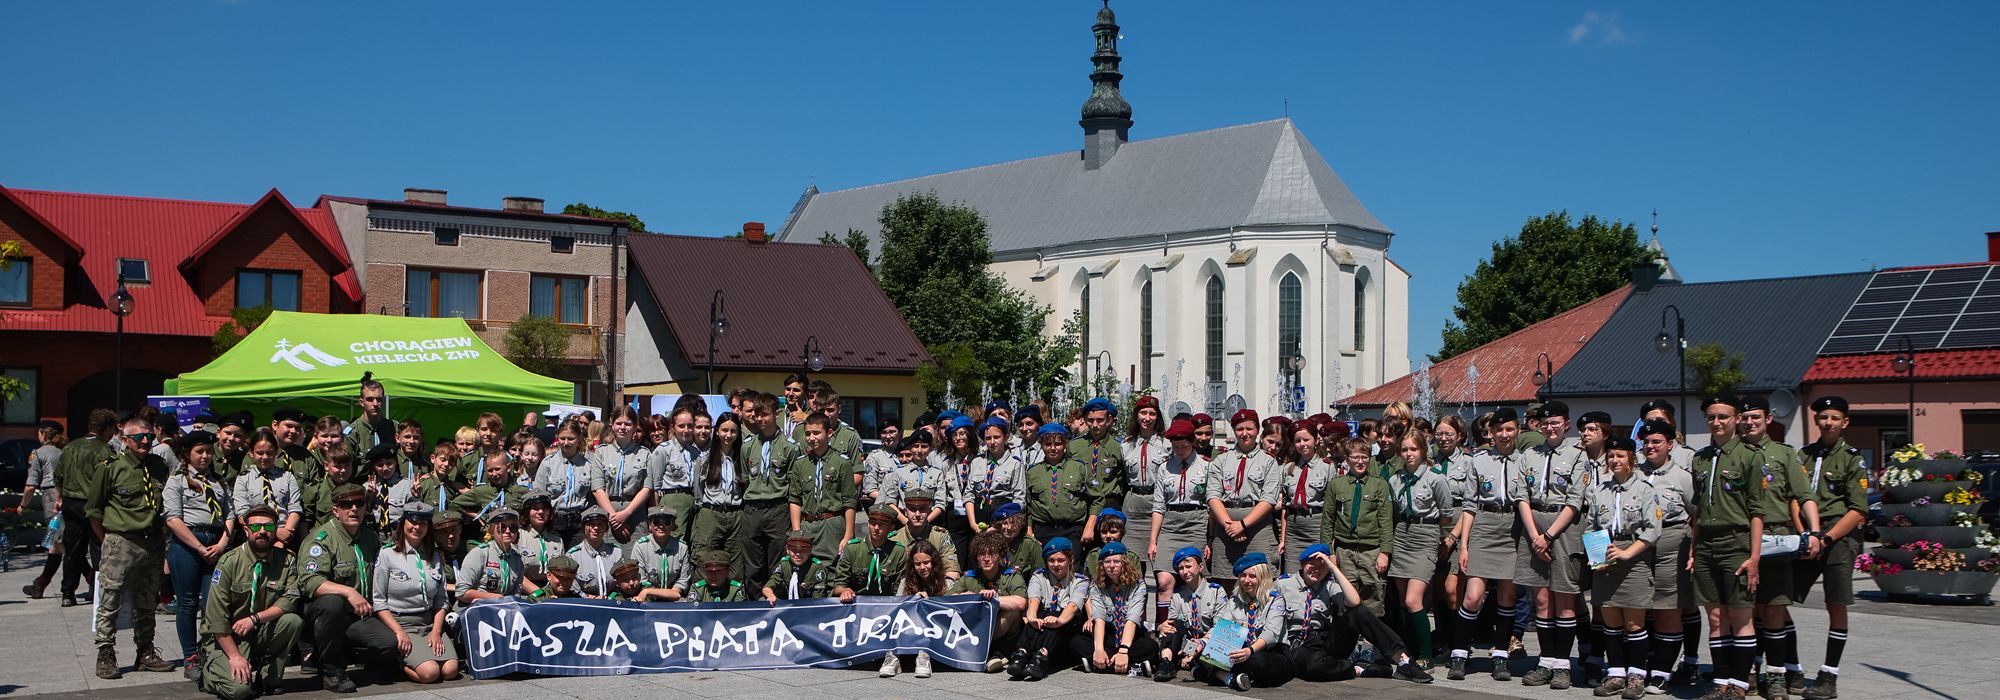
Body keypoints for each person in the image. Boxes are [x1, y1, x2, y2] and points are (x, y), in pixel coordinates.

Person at [1738, 395, 1820, 700]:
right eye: (1745, 418)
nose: (1749, 423)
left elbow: (1804, 495)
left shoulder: (1784, 455)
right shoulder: (1732, 452)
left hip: (1774, 539)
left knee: (1773, 610)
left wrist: (1814, 532)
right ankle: (1747, 672)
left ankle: (1776, 676)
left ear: (1768, 419)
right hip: (1740, 540)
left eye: (1755, 418)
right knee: (1744, 611)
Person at [87, 412, 176, 678]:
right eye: (138, 437)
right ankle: (105, 653)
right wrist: (109, 541)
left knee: (147, 599)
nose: (145, 441)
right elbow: (94, 511)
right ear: (126, 440)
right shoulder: (110, 467)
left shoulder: (158, 465)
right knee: (110, 600)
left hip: (152, 542)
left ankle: (145, 651)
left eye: (149, 436)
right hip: (121, 540)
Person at [1692, 395, 1767, 700]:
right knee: (1715, 618)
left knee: (1740, 617)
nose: (1717, 422)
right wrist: (1693, 550)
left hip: (1737, 543)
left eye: (1723, 416)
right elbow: (1697, 509)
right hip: (1707, 543)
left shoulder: (1749, 457)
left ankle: (1740, 684)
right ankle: (1721, 681)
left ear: (1737, 419)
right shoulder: (1700, 458)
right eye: (1712, 417)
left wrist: (1754, 557)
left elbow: (1757, 511)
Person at [1792, 397, 1866, 700]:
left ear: (1844, 422)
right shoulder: (1803, 455)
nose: (1828, 423)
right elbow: (1793, 497)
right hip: (1806, 535)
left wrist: (1826, 538)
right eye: (1823, 417)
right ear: (1816, 421)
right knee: (1780, 599)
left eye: (1835, 418)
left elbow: (1858, 510)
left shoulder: (1852, 459)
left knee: (1836, 605)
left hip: (1837, 538)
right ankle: (1791, 667)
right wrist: (1805, 533)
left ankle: (1828, 675)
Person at [1513, 400, 1588, 690]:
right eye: (1545, 423)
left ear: (1567, 424)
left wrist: (1549, 536)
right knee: (1542, 599)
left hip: (1564, 526)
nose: (1550, 427)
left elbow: (1575, 500)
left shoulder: (1577, 456)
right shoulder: (1529, 454)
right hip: (1534, 524)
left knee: (1564, 598)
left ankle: (1562, 664)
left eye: (1556, 422)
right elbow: (1522, 496)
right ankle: (1545, 660)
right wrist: (1534, 535)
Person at [1447, 407, 1525, 682]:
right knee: (1473, 596)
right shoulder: (1478, 461)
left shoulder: (1525, 461)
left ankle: (1501, 656)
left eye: (1509, 429)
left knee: (1507, 596)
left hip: (1513, 528)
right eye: (1498, 430)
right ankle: (1459, 653)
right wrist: (1464, 545)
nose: (1504, 435)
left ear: (1518, 430)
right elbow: (1469, 507)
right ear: (1490, 433)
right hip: (1485, 525)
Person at [1581, 437, 1660, 699]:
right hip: (1606, 561)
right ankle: (1616, 674)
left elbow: (1652, 530)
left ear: (1632, 460)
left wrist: (1627, 553)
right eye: (1611, 456)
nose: (1615, 461)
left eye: (1621, 456)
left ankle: (1636, 677)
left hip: (1634, 560)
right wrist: (1598, 558)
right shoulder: (1599, 490)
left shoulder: (1645, 490)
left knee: (1634, 623)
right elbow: (1592, 527)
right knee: (1611, 623)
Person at [1282, 545, 1433, 683]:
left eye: (1322, 567)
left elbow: (1354, 602)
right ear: (1302, 564)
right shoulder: (1284, 585)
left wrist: (1333, 568)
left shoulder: (1330, 585)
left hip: (1323, 641)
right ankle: (1359, 670)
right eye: (1312, 565)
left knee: (1358, 612)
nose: (1316, 570)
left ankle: (1403, 662)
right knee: (1311, 668)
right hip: (1297, 643)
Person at [197, 505, 302, 700]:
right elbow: (216, 618)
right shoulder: (229, 562)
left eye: (269, 527)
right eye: (256, 527)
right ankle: (209, 674)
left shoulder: (287, 561)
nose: (262, 532)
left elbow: (290, 600)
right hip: (229, 638)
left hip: (259, 629)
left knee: (292, 621)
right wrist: (235, 656)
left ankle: (269, 678)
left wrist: (255, 619)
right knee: (240, 691)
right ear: (246, 530)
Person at [296, 483, 391, 692]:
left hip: (359, 616)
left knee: (389, 645)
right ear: (335, 510)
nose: (354, 509)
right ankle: (332, 671)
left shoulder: (369, 537)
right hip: (326, 615)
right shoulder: (321, 539)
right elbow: (310, 581)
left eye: (359, 503)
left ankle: (346, 652)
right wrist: (349, 591)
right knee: (333, 603)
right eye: (346, 504)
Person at [353, 502, 460, 684]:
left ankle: (419, 655)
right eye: (412, 522)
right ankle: (397, 663)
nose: (417, 527)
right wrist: (398, 632)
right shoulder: (387, 554)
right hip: (402, 623)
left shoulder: (434, 556)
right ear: (403, 523)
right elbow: (379, 601)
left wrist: (436, 631)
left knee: (450, 671)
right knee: (430, 673)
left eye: (423, 523)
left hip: (428, 623)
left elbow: (441, 600)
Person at [165, 430, 236, 677]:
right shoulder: (177, 480)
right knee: (187, 603)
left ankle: (209, 650)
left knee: (212, 603)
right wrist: (198, 546)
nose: (205, 456)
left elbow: (230, 514)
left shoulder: (219, 481)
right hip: (187, 546)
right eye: (199, 452)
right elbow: (173, 519)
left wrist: (223, 543)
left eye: (208, 451)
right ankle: (190, 657)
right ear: (187, 454)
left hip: (215, 544)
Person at [1636, 421, 1697, 691]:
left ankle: (1662, 671)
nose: (1650, 447)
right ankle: (1646, 665)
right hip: (1638, 545)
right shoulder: (1634, 473)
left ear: (1670, 444)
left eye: (1656, 442)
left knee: (1667, 608)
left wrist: (1694, 550)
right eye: (1646, 442)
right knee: (1642, 607)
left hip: (1671, 543)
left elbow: (1697, 516)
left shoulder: (1682, 477)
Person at [1388, 431, 1451, 669]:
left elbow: (1446, 514)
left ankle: (1426, 655)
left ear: (1423, 451)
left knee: (1415, 600)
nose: (1408, 454)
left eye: (1413, 449)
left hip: (1425, 535)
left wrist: (1432, 530)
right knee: (1404, 601)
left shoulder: (1435, 478)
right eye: (1404, 449)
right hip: (1401, 535)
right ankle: (1409, 650)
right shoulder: (1396, 479)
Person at [1188, 552, 1290, 691]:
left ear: (1263, 577)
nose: (1246, 580)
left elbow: (1271, 634)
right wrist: (1203, 642)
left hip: (1270, 652)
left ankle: (1215, 675)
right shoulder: (1235, 600)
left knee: (1258, 662)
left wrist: (1250, 650)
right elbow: (1222, 627)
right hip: (1243, 651)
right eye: (1243, 575)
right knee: (1204, 653)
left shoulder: (1276, 600)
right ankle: (1231, 678)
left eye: (1252, 576)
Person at [739, 392, 804, 585]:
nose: (760, 419)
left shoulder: (790, 447)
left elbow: (793, 484)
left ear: (776, 414)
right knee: (752, 565)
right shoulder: (747, 446)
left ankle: (776, 603)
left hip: (778, 509)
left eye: (765, 414)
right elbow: (745, 478)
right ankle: (755, 607)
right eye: (757, 414)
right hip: (752, 510)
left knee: (777, 562)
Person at [1150, 419, 1211, 624]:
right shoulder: (1165, 468)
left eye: (1184, 446)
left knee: (1194, 579)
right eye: (1175, 447)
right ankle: (1164, 630)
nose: (1180, 450)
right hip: (1171, 524)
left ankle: (1194, 627)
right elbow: (1159, 506)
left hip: (1197, 522)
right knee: (1164, 581)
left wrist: (1209, 540)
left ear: (1192, 442)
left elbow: (1212, 505)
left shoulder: (1207, 466)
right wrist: (1153, 540)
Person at [1325, 437, 1392, 614]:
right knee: (1346, 594)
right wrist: (1329, 553)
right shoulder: (1336, 485)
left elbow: (1385, 521)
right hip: (1344, 550)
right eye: (1355, 457)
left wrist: (1384, 552)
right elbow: (1327, 521)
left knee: (1373, 594)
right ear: (1347, 459)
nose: (1360, 461)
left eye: (1364, 457)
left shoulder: (1379, 485)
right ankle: (1350, 636)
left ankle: (1372, 634)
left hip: (1371, 550)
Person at [949, 528, 1030, 672]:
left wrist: (993, 599)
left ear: (999, 555)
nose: (986, 558)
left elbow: (1021, 602)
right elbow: (946, 598)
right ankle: (994, 655)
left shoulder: (1011, 576)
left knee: (1013, 612)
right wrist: (970, 597)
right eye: (982, 554)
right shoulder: (969, 577)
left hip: (1001, 629)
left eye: (991, 553)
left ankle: (998, 653)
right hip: (975, 627)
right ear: (977, 557)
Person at [1009, 537, 1088, 682]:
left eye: (1061, 560)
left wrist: (1059, 620)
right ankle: (1021, 653)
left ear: (1070, 560)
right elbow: (1034, 599)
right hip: (1043, 623)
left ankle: (1041, 657)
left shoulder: (1080, 581)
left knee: (1054, 613)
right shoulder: (1039, 576)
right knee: (1039, 614)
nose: (1056, 565)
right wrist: (1032, 618)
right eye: (1051, 560)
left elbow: (1073, 606)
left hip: (1066, 627)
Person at [1075, 541, 1155, 677]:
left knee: (1150, 647)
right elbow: (1099, 618)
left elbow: (1132, 619)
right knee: (1076, 642)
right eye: (1107, 562)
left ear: (1125, 563)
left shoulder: (1138, 585)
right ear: (1102, 565)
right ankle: (1131, 667)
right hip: (1109, 633)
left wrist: (1123, 651)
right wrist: (1099, 649)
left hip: (1130, 634)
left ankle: (1102, 665)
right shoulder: (1097, 585)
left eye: (1116, 561)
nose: (1112, 566)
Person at [790, 413, 859, 562]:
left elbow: (849, 502)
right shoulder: (800, 464)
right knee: (807, 571)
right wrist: (797, 531)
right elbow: (795, 500)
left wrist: (848, 535)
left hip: (832, 525)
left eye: (816, 433)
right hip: (808, 525)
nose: (811, 438)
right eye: (807, 434)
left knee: (833, 568)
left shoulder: (842, 463)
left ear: (829, 433)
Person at [961, 420, 1025, 567]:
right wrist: (973, 524)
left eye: (996, 437)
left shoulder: (1014, 464)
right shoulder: (977, 462)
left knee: (998, 559)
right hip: (979, 514)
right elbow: (969, 494)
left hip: (1003, 516)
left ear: (1006, 437)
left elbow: (1019, 499)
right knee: (977, 559)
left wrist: (1000, 526)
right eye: (988, 438)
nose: (992, 442)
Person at [16, 420, 66, 600]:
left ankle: (91, 579)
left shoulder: (38, 454)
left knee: (60, 542)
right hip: (67, 497)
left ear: (44, 435)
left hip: (51, 498)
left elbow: (30, 485)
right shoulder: (64, 452)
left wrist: (23, 505)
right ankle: (40, 584)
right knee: (54, 542)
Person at [589, 406, 654, 543]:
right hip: (608, 513)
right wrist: (614, 517)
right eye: (619, 423)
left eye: (628, 424)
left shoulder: (644, 453)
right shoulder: (601, 452)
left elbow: (647, 488)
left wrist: (626, 513)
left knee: (635, 560)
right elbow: (597, 488)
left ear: (635, 426)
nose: (623, 427)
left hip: (635, 512)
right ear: (612, 425)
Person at [1026, 423, 1095, 547]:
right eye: (1047, 444)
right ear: (1041, 446)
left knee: (1071, 566)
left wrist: (1089, 527)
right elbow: (1027, 504)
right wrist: (1029, 529)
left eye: (1058, 444)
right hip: (1042, 530)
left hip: (1072, 530)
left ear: (1065, 444)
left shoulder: (1080, 468)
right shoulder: (1032, 472)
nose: (1053, 448)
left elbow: (1097, 499)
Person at [232, 430, 304, 548]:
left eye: (269, 453)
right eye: (260, 453)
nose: (264, 457)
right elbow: (242, 514)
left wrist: (285, 535)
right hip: (256, 536)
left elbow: (295, 508)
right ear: (251, 453)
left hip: (285, 538)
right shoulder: (243, 479)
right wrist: (275, 532)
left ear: (276, 452)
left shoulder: (287, 477)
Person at [891, 539, 952, 678]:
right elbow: (895, 608)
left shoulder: (947, 583)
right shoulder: (905, 582)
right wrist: (912, 599)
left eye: (926, 562)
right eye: (917, 564)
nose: (922, 567)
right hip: (911, 630)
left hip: (938, 631)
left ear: (934, 562)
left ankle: (923, 657)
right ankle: (892, 657)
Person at [1152, 546, 1214, 682]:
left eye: (1188, 566)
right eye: (1181, 568)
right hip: (1187, 644)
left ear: (1201, 567)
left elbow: (1219, 626)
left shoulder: (1216, 592)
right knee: (1171, 625)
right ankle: (1166, 663)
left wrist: (1200, 644)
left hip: (1207, 642)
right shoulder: (1177, 596)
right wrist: (1161, 627)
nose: (1185, 571)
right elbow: (1173, 626)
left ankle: (1192, 663)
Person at [1280, 420, 1334, 573]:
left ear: (1316, 441)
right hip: (1294, 527)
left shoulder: (1328, 467)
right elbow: (1285, 506)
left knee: (1317, 572)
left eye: (1306, 439)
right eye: (1298, 441)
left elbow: (1331, 507)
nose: (1302, 444)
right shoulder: (1288, 469)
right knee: (1291, 573)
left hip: (1316, 525)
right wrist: (1283, 539)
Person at [1070, 397, 1124, 544]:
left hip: (1109, 505)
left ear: (1109, 420)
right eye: (1090, 420)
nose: (1094, 425)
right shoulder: (1073, 446)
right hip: (1083, 505)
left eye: (1100, 420)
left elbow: (1124, 480)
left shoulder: (1119, 447)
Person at [533, 421, 594, 548]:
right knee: (555, 561)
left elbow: (592, 497)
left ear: (579, 439)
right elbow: (538, 494)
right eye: (562, 438)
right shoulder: (547, 464)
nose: (566, 443)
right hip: (554, 519)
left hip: (579, 520)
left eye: (571, 439)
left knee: (577, 560)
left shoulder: (588, 465)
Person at [836, 504, 910, 602]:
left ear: (891, 527)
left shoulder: (898, 551)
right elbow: (837, 586)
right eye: (872, 522)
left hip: (886, 605)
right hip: (856, 603)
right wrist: (844, 591)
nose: (876, 528)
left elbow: (900, 588)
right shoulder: (852, 548)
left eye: (882, 524)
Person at [459, 507, 536, 602]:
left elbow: (516, 594)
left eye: (513, 528)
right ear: (492, 530)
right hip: (476, 608)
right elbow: (462, 592)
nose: (508, 531)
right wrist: (498, 598)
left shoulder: (516, 558)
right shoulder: (480, 553)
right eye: (502, 527)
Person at [451, 451, 532, 538]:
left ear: (508, 467)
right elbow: (454, 504)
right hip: (490, 539)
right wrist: (477, 515)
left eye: (497, 469)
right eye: (490, 470)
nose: (494, 474)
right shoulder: (481, 491)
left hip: (515, 538)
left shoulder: (521, 491)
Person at [650, 406, 704, 534]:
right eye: (681, 426)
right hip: (673, 499)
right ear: (673, 427)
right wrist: (655, 513)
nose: (686, 430)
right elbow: (655, 485)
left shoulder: (696, 452)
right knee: (675, 538)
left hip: (693, 499)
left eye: (690, 426)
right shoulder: (664, 450)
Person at [889, 489, 960, 580]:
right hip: (905, 590)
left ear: (929, 511)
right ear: (905, 511)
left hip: (936, 589)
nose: (918, 514)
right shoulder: (895, 540)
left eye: (922, 509)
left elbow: (953, 573)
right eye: (913, 509)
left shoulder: (940, 536)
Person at [1121, 396, 1170, 523]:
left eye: (1152, 414)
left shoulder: (1167, 444)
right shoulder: (1126, 445)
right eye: (1143, 413)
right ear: (1136, 415)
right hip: (1133, 502)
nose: (1147, 418)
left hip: (1159, 501)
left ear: (1157, 417)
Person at [630, 509, 692, 601]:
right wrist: (648, 592)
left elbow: (682, 583)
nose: (661, 526)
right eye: (656, 522)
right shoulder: (640, 546)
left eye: (667, 522)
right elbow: (641, 580)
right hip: (648, 597)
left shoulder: (682, 547)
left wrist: (671, 593)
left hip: (673, 597)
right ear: (650, 526)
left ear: (673, 526)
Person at [763, 529, 836, 601]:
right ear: (788, 549)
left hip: (809, 606)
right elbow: (767, 587)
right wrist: (771, 596)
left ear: (810, 550)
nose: (798, 554)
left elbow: (818, 599)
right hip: (787, 604)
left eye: (803, 550)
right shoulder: (784, 564)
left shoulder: (817, 568)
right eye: (794, 550)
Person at [568, 506, 623, 598]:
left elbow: (622, 582)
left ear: (606, 529)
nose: (596, 527)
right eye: (591, 524)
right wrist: (586, 597)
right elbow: (570, 584)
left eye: (601, 524)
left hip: (612, 601)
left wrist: (612, 597)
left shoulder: (616, 552)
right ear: (583, 527)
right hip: (584, 603)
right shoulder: (573, 555)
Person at [343, 376, 396, 457]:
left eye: (379, 399)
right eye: (370, 399)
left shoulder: (393, 428)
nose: (375, 404)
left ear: (384, 401)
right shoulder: (353, 433)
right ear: (361, 402)